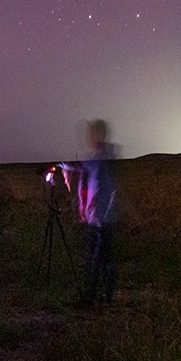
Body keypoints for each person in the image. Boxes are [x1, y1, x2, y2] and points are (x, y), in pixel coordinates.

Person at [61, 118, 118, 306]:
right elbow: (82, 166)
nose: (88, 137)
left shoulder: (104, 158)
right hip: (98, 218)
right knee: (103, 259)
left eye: (91, 133)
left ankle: (90, 299)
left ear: (97, 135)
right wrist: (65, 166)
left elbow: (111, 189)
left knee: (96, 259)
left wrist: (102, 215)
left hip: (102, 220)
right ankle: (106, 298)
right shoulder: (98, 157)